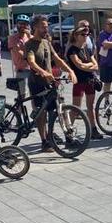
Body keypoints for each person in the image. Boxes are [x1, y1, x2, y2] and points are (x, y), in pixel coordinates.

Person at [25, 15, 77, 152]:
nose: (46, 29)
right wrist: (43, 72)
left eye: (46, 26)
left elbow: (57, 59)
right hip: (37, 83)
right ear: (35, 27)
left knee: (60, 108)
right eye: (43, 26)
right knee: (41, 113)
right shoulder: (29, 44)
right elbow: (31, 62)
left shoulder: (46, 42)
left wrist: (70, 70)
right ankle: (44, 141)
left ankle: (69, 136)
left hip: (50, 82)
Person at [66, 22, 102, 140]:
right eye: (83, 34)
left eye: (87, 34)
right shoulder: (72, 50)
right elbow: (78, 65)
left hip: (90, 80)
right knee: (76, 108)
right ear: (76, 35)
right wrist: (89, 65)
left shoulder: (87, 48)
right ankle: (69, 131)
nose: (86, 36)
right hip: (79, 81)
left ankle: (93, 129)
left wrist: (86, 65)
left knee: (90, 106)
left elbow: (96, 65)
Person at [9, 15, 32, 96]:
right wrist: (31, 56)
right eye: (20, 23)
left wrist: (30, 37)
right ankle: (19, 109)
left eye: (25, 24)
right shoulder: (12, 38)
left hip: (34, 70)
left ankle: (35, 109)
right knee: (22, 94)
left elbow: (37, 51)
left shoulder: (30, 37)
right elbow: (20, 54)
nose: (23, 26)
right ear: (17, 25)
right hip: (22, 70)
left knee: (35, 94)